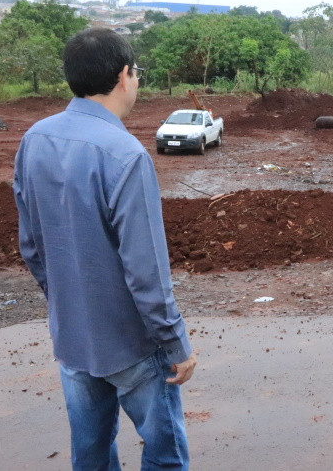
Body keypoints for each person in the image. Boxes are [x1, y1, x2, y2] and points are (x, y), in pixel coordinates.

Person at [13, 27, 196, 470]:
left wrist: (64, 301)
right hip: (131, 343)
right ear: (123, 76)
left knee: (90, 452)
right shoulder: (126, 155)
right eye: (137, 73)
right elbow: (146, 270)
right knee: (165, 455)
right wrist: (176, 344)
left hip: (72, 336)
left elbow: (31, 245)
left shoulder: (35, 139)